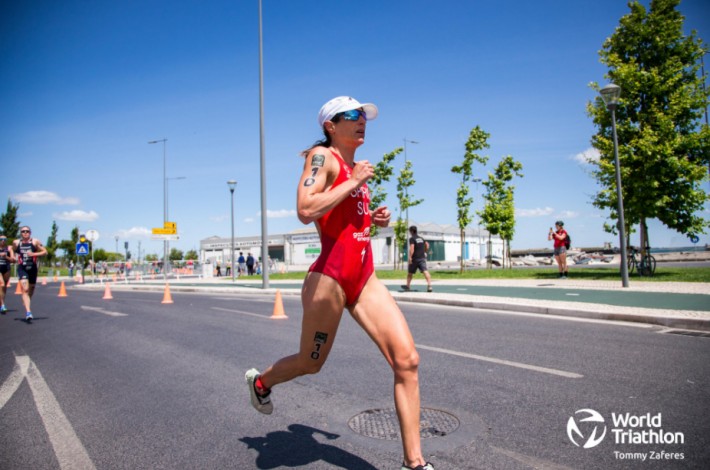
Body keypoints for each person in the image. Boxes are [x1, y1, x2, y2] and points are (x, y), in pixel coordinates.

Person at [245, 96, 434, 470]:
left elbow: (348, 219)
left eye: (365, 117)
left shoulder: (352, 166)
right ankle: (261, 383)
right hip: (328, 279)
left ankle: (414, 463)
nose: (362, 122)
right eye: (353, 116)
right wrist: (356, 182)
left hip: (364, 278)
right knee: (310, 363)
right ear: (331, 125)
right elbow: (305, 209)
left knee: (407, 361)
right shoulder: (322, 157)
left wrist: (373, 218)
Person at [9, 226, 47, 322]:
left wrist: (34, 254)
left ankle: (26, 301)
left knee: (31, 289)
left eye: (27, 231)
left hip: (33, 268)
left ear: (30, 232)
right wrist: (13, 257)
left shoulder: (35, 242)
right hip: (22, 268)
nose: (25, 233)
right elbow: (12, 249)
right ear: (20, 233)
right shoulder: (16, 242)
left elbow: (45, 252)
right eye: (23, 231)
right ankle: (28, 312)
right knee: (25, 289)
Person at [401, 226, 433, 292]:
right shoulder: (421, 238)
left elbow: (412, 248)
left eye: (409, 231)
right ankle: (429, 286)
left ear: (411, 231)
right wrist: (425, 251)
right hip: (422, 258)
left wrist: (410, 257)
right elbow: (427, 244)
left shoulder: (412, 238)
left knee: (410, 273)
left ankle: (407, 286)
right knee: (425, 271)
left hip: (415, 259)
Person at [0, 234, 15, 314]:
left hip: (6, 269)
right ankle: (2, 305)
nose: (3, 241)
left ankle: (1, 303)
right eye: (1, 239)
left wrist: (6, 257)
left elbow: (13, 260)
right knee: (1, 284)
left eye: (5, 239)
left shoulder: (9, 249)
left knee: (4, 287)